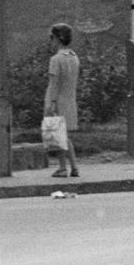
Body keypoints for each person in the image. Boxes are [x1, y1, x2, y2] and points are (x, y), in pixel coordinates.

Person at [44, 22, 81, 178]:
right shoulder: (74, 57)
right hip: (70, 99)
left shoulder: (56, 59)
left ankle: (62, 167)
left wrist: (51, 103)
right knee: (65, 136)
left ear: (58, 39)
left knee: (58, 136)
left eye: (51, 38)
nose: (50, 41)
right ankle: (73, 167)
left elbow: (53, 84)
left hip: (57, 100)